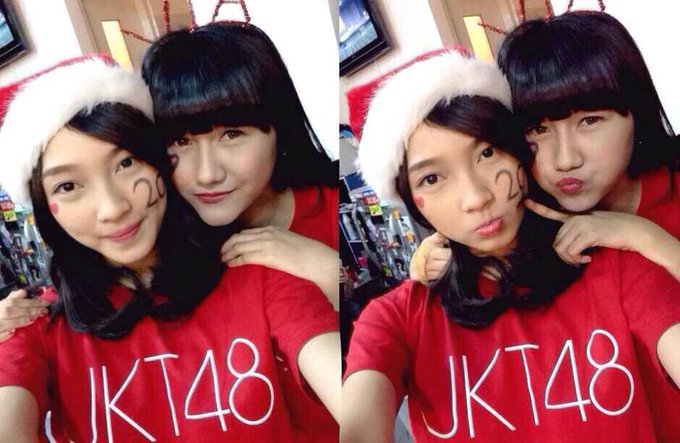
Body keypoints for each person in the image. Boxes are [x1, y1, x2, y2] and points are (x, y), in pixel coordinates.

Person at [341, 48, 680, 442]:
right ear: (411, 201)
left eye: (486, 153)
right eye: (431, 179)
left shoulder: (618, 268)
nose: (476, 198)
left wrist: (647, 238)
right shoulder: (396, 318)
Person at [0, 55, 339, 442]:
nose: (113, 208)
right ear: (44, 208)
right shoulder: (32, 326)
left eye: (126, 163)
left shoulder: (255, 267)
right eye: (68, 186)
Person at [141, 21, 340, 441]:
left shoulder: (336, 210)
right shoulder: (162, 244)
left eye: (232, 134)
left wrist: (328, 271)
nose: (207, 174)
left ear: (278, 129)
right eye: (180, 142)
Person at [411, 11, 679, 283]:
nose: (566, 160)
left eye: (589, 120)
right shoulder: (519, 213)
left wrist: (642, 236)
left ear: (637, 112)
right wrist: (431, 260)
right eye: (538, 129)